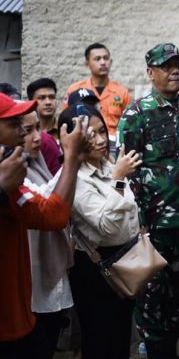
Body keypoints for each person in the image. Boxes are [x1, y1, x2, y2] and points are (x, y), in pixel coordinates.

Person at [116, 43, 179, 359]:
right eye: (166, 66)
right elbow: (128, 171)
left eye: (177, 64)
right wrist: (140, 226)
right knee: (151, 302)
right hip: (153, 228)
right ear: (151, 73)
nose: (174, 70)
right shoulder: (137, 114)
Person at [0, 92, 88, 358]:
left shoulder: (13, 175)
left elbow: (53, 213)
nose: (25, 135)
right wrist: (71, 157)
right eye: (16, 126)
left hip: (17, 315)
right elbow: (54, 215)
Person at [60, 104, 142, 359]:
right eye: (90, 134)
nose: (100, 140)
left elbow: (130, 213)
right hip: (96, 269)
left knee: (120, 340)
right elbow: (105, 225)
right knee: (99, 342)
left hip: (124, 261)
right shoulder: (75, 177)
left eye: (102, 131)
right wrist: (119, 179)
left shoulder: (109, 167)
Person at [21, 109, 74, 359]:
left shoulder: (37, 162)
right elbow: (46, 206)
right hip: (29, 280)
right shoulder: (11, 173)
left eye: (37, 128)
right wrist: (73, 158)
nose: (37, 138)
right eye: (26, 130)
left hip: (49, 277)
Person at [64, 43, 132, 146]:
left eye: (106, 58)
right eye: (97, 59)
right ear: (87, 64)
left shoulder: (121, 91)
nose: (103, 62)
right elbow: (66, 119)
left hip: (114, 143)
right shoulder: (76, 90)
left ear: (111, 61)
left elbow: (129, 123)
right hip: (85, 143)